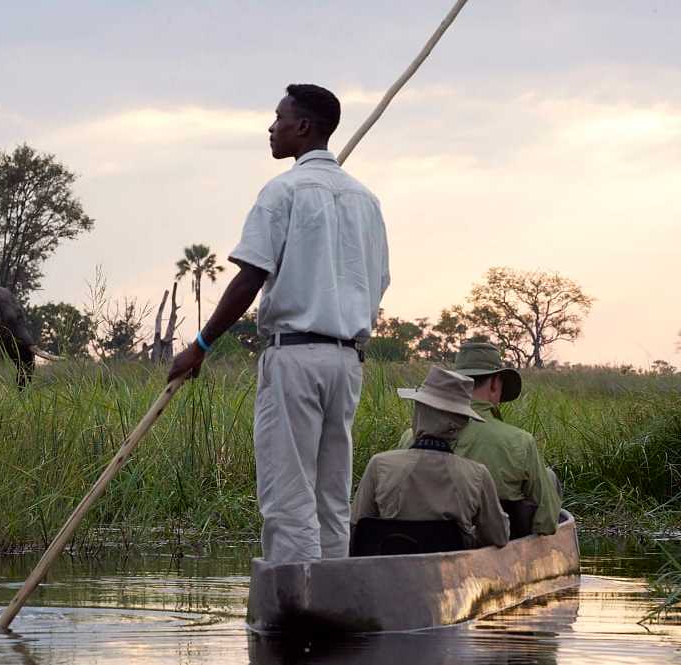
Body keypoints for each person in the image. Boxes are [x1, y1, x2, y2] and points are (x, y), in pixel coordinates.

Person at [168, 83, 390, 563]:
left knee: (289, 494)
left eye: (279, 118)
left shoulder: (283, 191)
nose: (272, 127)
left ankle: (298, 607)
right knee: (331, 495)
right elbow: (379, 282)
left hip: (295, 358)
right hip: (347, 361)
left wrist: (201, 345)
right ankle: (334, 594)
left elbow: (250, 277)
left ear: (303, 126)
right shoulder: (365, 200)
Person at [397, 340, 562, 536]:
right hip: (495, 539)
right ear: (494, 383)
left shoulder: (410, 437)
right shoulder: (521, 441)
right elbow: (547, 521)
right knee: (549, 477)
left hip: (417, 536)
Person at [352, 366, 510, 549]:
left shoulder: (379, 465)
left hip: (389, 570)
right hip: (450, 574)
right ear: (462, 423)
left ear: (419, 412)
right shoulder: (476, 475)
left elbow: (357, 528)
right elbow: (499, 536)